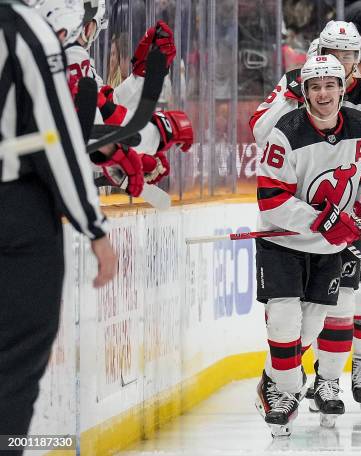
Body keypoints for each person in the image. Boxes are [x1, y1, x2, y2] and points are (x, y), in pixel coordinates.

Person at [251, 21, 361, 423]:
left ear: (358, 61)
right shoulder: (299, 83)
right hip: (303, 219)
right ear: (316, 49)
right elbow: (261, 133)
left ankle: (330, 379)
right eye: (332, 52)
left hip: (359, 216)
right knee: (297, 312)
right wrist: (291, 94)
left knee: (343, 304)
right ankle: (289, 381)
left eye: (348, 56)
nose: (339, 64)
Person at [0, 0, 117, 442]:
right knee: (15, 362)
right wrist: (94, 224)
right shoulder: (25, 30)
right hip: (15, 216)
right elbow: (55, 137)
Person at [38, 0, 193, 194]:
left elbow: (103, 107)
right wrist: (156, 135)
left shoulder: (43, 53)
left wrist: (141, 78)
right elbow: (89, 130)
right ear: (86, 26)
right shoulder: (68, 57)